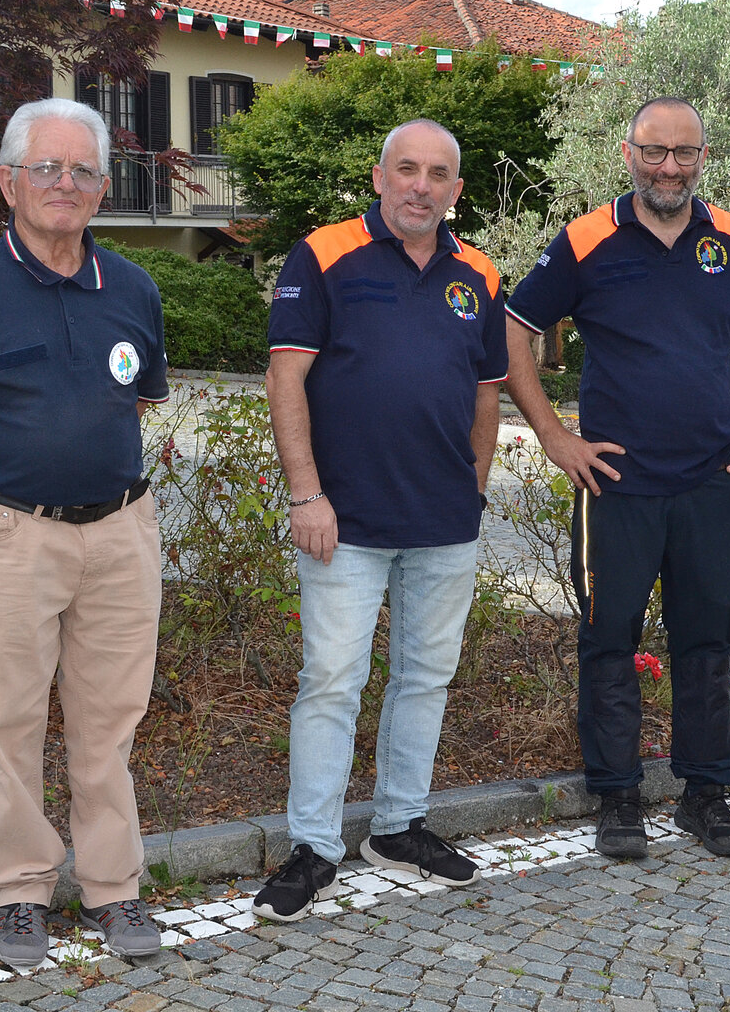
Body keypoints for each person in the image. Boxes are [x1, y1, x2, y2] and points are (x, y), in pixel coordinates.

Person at [0, 98, 169, 965]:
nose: (65, 183)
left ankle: (114, 888)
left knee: (110, 721)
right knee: (9, 719)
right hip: (10, 535)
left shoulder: (133, 288)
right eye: (46, 167)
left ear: (102, 189)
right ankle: (20, 892)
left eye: (83, 170)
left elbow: (137, 401)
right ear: (8, 181)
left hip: (121, 534)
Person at [503, 97, 730, 860]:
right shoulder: (585, 239)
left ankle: (707, 795)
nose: (669, 167)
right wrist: (554, 436)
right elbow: (513, 330)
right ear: (627, 153)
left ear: (703, 157)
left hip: (710, 482)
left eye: (684, 153)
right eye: (654, 151)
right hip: (616, 484)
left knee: (708, 642)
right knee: (609, 640)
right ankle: (617, 799)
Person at [254, 119, 505, 922]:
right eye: (406, 169)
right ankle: (314, 847)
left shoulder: (480, 274)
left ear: (455, 190)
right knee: (331, 683)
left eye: (437, 174)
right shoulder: (324, 253)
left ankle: (398, 828)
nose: (420, 186)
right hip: (345, 521)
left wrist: (473, 491)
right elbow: (286, 378)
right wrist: (306, 494)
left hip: (444, 522)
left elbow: (487, 393)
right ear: (379, 177)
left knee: (425, 679)